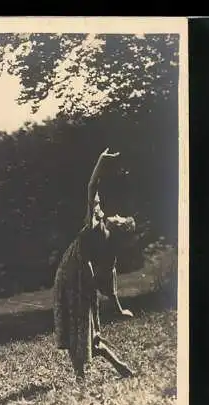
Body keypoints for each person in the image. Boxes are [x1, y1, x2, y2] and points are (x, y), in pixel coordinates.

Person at [53, 148, 136, 379]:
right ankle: (117, 365)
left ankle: (87, 373)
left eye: (119, 218)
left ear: (116, 227)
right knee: (84, 325)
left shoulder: (97, 225)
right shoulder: (108, 244)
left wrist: (100, 161)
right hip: (79, 275)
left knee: (80, 325)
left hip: (73, 274)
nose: (116, 214)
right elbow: (110, 282)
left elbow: (91, 187)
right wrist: (119, 308)